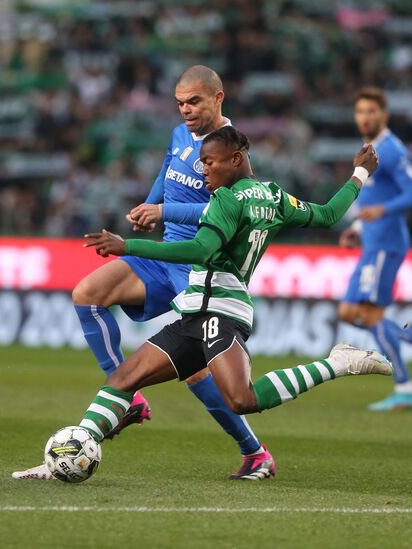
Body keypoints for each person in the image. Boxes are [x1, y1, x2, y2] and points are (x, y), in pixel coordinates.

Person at [12, 125, 394, 480]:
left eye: (210, 162)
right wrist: (359, 174)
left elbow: (200, 248)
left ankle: (337, 362)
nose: (204, 170)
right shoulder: (275, 196)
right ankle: (62, 458)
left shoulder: (226, 200)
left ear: (236, 158)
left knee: (242, 398)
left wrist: (127, 245)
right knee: (123, 380)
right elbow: (328, 215)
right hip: (195, 312)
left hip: (220, 313)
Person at [18, 66, 275, 481]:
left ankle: (255, 453)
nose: (186, 110)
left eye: (194, 101)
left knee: (195, 373)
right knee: (88, 293)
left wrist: (165, 210)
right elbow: (167, 169)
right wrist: (149, 204)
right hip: (160, 255)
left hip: (195, 265)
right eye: (180, 102)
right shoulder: (179, 135)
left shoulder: (230, 152)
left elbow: (224, 208)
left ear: (218, 98)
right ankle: (129, 398)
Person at [337, 87, 412, 411]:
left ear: (384, 115)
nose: (365, 117)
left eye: (371, 111)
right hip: (372, 241)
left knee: (369, 314)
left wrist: (381, 212)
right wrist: (357, 228)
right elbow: (369, 199)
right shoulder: (370, 149)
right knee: (349, 313)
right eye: (360, 111)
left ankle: (405, 386)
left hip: (387, 243)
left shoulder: (393, 150)